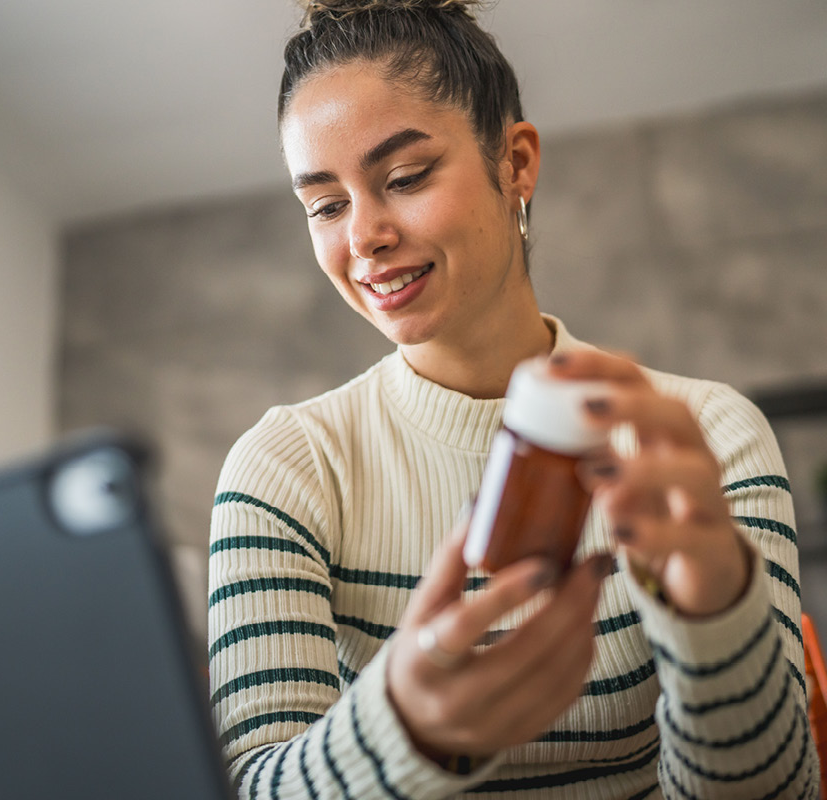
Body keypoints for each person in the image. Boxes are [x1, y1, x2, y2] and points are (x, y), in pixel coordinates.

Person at [206, 1, 819, 797]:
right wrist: (405, 729)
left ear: (516, 162)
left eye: (404, 177)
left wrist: (716, 616)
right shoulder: (284, 469)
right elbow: (252, 784)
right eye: (325, 204)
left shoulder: (709, 436)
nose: (363, 237)